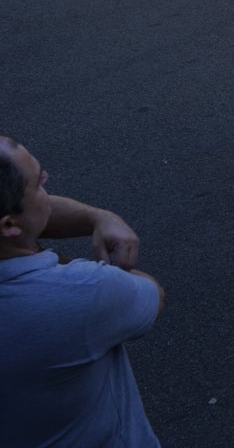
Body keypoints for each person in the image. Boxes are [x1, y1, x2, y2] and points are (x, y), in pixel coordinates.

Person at [0, 137, 164, 447]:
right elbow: (151, 294)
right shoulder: (80, 292)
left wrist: (97, 217)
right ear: (8, 225)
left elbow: (30, 218)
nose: (47, 181)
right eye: (38, 183)